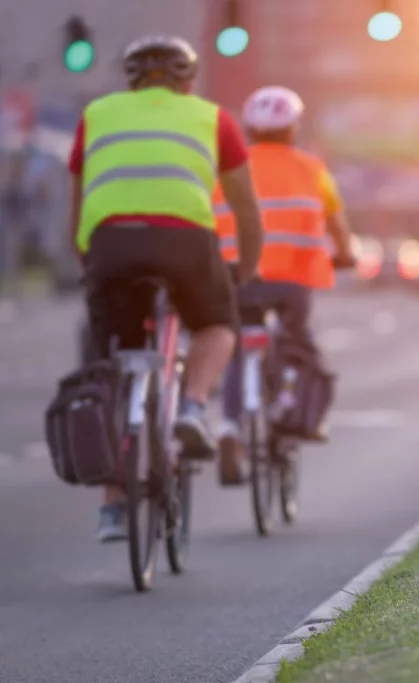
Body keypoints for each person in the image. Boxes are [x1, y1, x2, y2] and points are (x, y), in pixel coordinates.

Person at [67, 35, 265, 541]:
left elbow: (78, 202)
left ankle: (113, 508)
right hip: (185, 243)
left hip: (111, 245)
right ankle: (193, 406)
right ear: (188, 81)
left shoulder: (96, 115)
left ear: (131, 80)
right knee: (217, 325)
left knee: (113, 366)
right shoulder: (214, 119)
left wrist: (89, 260)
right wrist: (245, 271)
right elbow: (246, 211)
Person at [211, 86, 357, 486]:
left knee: (238, 350)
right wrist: (345, 254)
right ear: (293, 128)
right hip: (292, 282)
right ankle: (288, 402)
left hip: (239, 278)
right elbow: (336, 221)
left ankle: (229, 426)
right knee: (295, 344)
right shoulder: (312, 169)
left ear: (249, 129)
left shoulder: (227, 170)